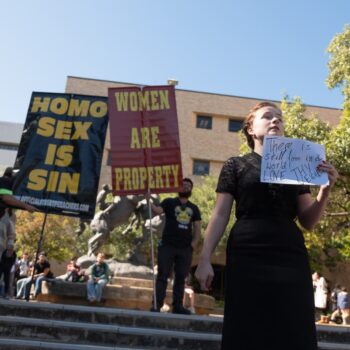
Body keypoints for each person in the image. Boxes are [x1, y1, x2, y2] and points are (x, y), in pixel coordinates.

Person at [195, 102, 338, 350]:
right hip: (247, 251)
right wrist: (205, 257)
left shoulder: (296, 165)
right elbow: (219, 215)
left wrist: (324, 192)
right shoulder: (235, 165)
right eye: (268, 116)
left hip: (289, 252)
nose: (276, 121)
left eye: (279, 118)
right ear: (251, 128)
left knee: (293, 325)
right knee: (248, 324)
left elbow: (309, 221)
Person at [148, 178, 201, 315]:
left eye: (188, 186)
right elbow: (157, 210)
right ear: (178, 187)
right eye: (183, 185)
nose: (186, 187)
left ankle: (178, 306)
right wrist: (149, 199)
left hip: (185, 249)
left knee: (181, 278)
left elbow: (197, 228)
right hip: (167, 246)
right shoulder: (169, 202)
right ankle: (157, 305)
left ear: (191, 190)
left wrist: (193, 245)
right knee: (162, 276)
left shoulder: (194, 208)